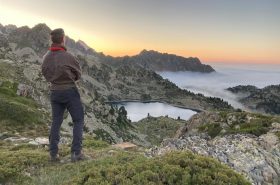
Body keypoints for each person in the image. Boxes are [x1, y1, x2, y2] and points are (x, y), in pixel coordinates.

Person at [42, 28, 84, 162]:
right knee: (78, 120)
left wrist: (55, 80)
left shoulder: (46, 57)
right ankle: (76, 153)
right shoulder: (68, 56)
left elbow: (45, 73)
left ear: (52, 40)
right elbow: (78, 74)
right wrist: (69, 77)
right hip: (70, 91)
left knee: (56, 121)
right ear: (63, 39)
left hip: (55, 92)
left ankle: (53, 154)